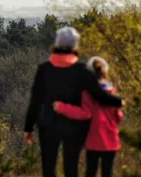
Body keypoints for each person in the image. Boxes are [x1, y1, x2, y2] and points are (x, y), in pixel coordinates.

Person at [24, 26, 124, 177]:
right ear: (74, 46)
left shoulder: (44, 69)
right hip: (74, 128)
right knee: (71, 168)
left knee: (48, 168)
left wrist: (28, 127)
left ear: (56, 45)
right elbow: (97, 94)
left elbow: (35, 100)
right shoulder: (82, 70)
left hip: (48, 125)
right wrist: (118, 101)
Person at [53, 56, 123, 177]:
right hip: (111, 139)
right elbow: (118, 116)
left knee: (91, 172)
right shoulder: (112, 93)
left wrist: (62, 108)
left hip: (94, 139)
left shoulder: (87, 93)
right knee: (108, 172)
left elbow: (85, 114)